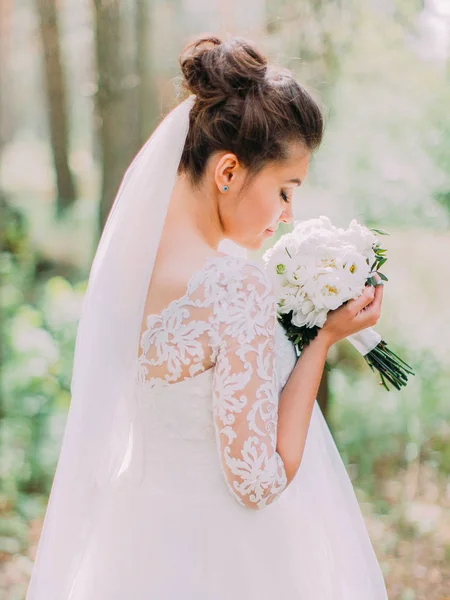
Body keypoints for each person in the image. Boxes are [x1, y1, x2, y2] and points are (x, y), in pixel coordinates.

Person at [26, 36, 388, 599]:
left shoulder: (133, 267)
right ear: (227, 172)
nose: (289, 215)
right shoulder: (233, 285)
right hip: (227, 558)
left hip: (134, 541)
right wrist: (321, 342)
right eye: (285, 190)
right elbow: (257, 480)